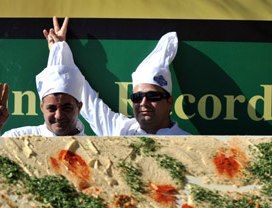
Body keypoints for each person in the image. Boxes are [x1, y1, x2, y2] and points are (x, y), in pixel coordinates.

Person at [44, 17, 190, 135]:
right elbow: (83, 94)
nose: (144, 103)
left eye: (152, 96)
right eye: (137, 97)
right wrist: (59, 50)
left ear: (169, 102)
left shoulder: (188, 143)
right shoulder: (121, 130)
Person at [0, 18, 86, 138]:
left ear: (79, 107)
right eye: (51, 108)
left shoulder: (94, 147)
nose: (58, 115)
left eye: (67, 108)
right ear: (42, 107)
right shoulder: (19, 138)